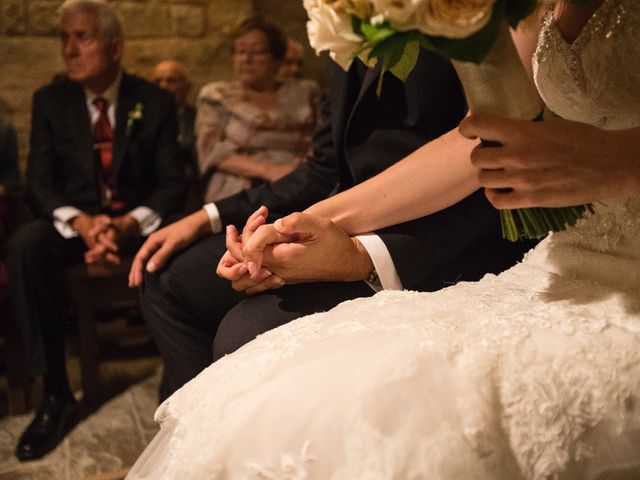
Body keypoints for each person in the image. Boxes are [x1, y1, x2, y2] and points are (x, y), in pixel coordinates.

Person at [126, 0, 640, 478]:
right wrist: (297, 227)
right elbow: (481, 138)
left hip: (603, 272)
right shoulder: (530, 8)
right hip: (559, 263)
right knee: (281, 380)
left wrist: (616, 161)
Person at [128, 37, 535, 402]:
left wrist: (363, 252)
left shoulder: (475, 22)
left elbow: (496, 152)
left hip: (446, 233)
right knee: (165, 277)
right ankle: (197, 430)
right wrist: (210, 217)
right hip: (338, 218)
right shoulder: (339, 21)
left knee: (247, 336)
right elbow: (326, 167)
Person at [6, 0, 184, 462]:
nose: (70, 49)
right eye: (64, 39)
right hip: (75, 225)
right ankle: (56, 395)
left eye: (81, 37)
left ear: (116, 47)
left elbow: (171, 182)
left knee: (183, 244)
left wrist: (126, 223)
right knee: (26, 245)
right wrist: (82, 223)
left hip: (137, 223)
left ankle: (179, 381)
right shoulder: (51, 101)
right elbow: (39, 184)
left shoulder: (154, 101)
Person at [197, 17, 321, 202]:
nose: (246, 59)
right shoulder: (217, 95)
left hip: (300, 179)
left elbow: (322, 139)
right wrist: (269, 171)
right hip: (239, 186)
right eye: (240, 51)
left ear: (277, 59)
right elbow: (211, 151)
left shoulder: (305, 92)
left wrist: (301, 171)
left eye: (257, 52)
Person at [151, 59, 197, 180]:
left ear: (187, 87)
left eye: (171, 81)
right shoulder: (144, 119)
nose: (163, 86)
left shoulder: (198, 118)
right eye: (157, 81)